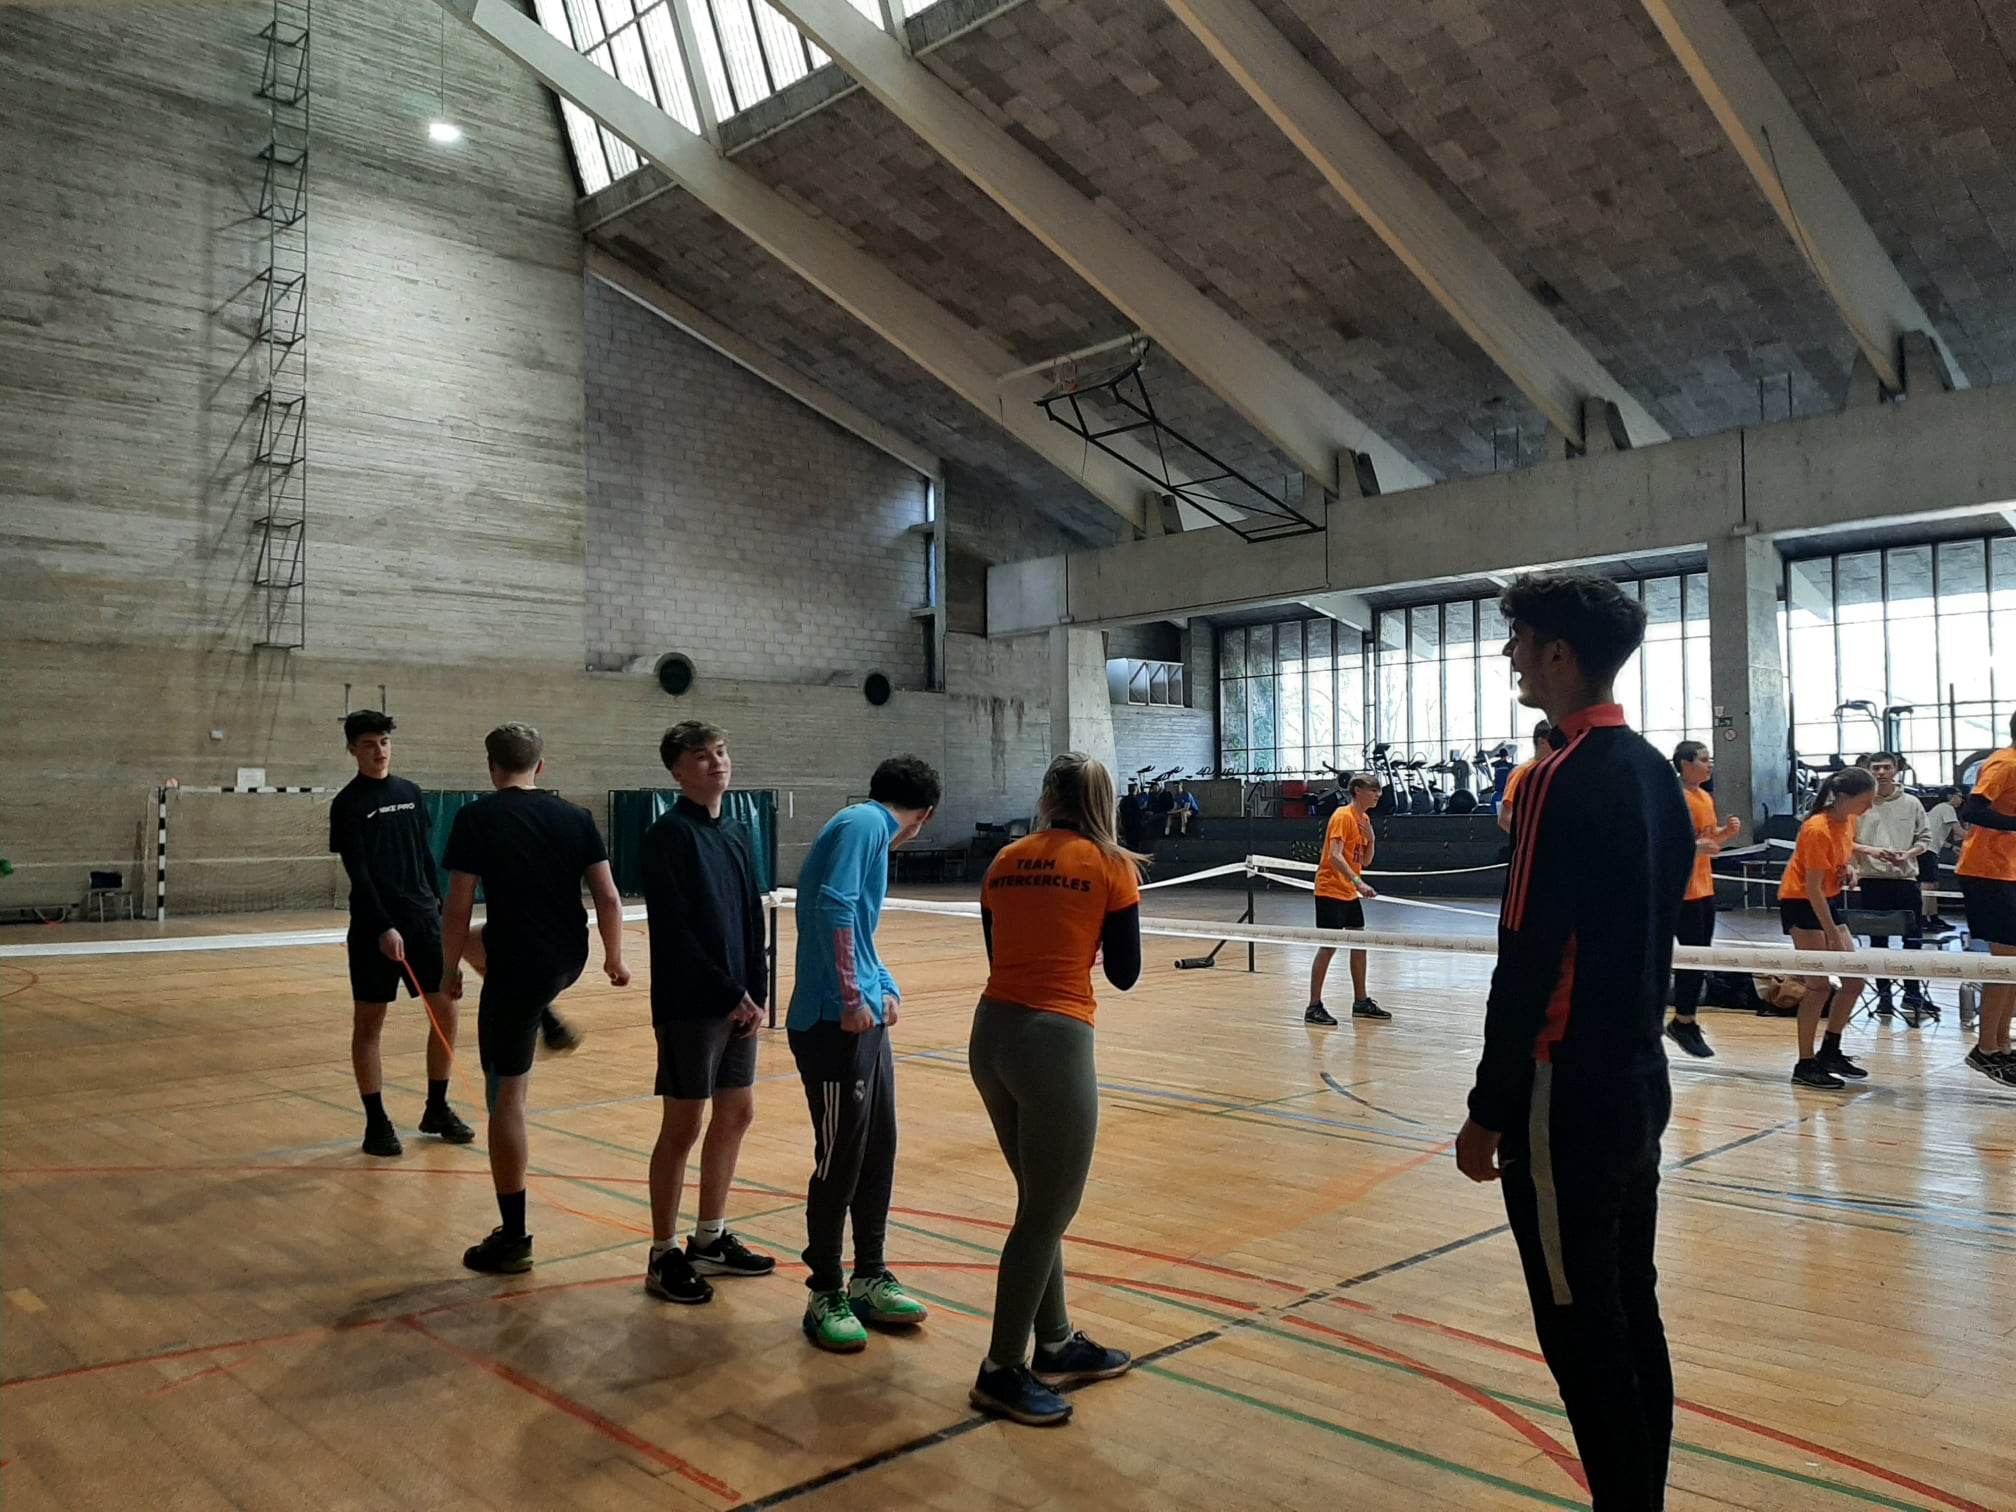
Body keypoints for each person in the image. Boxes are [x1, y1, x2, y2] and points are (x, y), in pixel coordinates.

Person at [1455, 571, 1693, 1512]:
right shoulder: (1656, 774)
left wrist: (1489, 1108)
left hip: (1567, 1095)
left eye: (1518, 639)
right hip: (1637, 1079)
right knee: (1631, 1306)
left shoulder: (1556, 778)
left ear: (1557, 653)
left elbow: (1528, 956)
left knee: (1580, 1329)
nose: (1510, 655)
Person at [967, 752, 1143, 1426]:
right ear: (1103, 800)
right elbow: (1124, 973)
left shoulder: (1005, 860)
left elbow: (999, 954)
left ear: (1047, 796)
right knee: (1047, 1212)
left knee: (1039, 1201)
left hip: (991, 1035)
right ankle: (1000, 1369)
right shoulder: (1111, 865)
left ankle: (1056, 1341)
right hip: (1054, 1042)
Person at [441, 723, 631, 1274]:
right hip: (567, 957)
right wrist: (614, 958)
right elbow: (608, 897)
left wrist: (447, 971)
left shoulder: (476, 817)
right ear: (540, 767)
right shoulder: (576, 816)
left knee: (507, 1100)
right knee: (484, 947)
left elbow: (457, 906)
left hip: (517, 969)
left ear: (492, 768)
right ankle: (545, 1015)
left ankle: (514, 1237)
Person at [789, 756, 942, 1351]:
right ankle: (825, 1289)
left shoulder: (867, 826)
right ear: (924, 816)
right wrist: (853, 997)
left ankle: (869, 1275)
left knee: (878, 1149)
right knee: (840, 1161)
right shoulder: (866, 825)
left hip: (864, 1020)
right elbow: (834, 908)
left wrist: (885, 986)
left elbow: (860, 930)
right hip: (833, 1024)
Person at [640, 721, 775, 1306]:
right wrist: (726, 991)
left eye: (721, 751)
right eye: (701, 756)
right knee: (683, 1126)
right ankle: (662, 1252)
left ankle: (710, 1239)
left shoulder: (738, 833)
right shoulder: (667, 836)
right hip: (691, 1003)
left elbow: (751, 915)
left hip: (739, 1003)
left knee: (737, 1111)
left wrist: (757, 990)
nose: (717, 762)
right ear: (677, 771)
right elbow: (675, 932)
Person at [327, 710, 473, 1157]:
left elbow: (424, 857)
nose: (379, 751)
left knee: (445, 1010)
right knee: (370, 1024)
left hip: (423, 922)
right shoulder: (347, 804)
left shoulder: (410, 793)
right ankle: (376, 1121)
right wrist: (383, 926)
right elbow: (358, 873)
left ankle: (437, 1108)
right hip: (375, 929)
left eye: (384, 742)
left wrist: (440, 909)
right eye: (369, 744)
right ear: (352, 749)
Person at [1778, 767, 1889, 1089]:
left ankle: (1830, 1049)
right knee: (1819, 986)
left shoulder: (1848, 820)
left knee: (1854, 981)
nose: (1869, 807)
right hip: (1802, 903)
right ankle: (1805, 1063)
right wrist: (1830, 932)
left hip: (1829, 899)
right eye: (1864, 800)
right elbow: (1812, 888)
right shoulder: (1816, 829)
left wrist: (1853, 865)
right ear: (1842, 797)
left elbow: (1844, 848)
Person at [1666, 741, 1741, 1060]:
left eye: (1711, 759)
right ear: (1685, 763)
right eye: (1704, 760)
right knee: (1672, 957)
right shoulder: (1673, 797)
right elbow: (1664, 843)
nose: (1710, 765)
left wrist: (1725, 834)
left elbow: (1706, 842)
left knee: (1699, 958)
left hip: (1702, 888)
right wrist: (1695, 848)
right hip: (1676, 891)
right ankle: (1675, 1018)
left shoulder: (1705, 797)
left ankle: (1685, 1020)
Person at [1955, 719, 2016, 1087]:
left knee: (2014, 963)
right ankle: (1985, 1048)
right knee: (2004, 961)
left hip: (2007, 871)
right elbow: (1973, 810)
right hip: (1986, 871)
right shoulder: (2005, 763)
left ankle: (2003, 1045)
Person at [1852, 753, 1932, 1024]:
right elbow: (1847, 840)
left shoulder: (1912, 803)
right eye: (1876, 768)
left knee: (1913, 939)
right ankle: (1883, 997)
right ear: (1869, 771)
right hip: (1871, 880)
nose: (1881, 772)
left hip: (1905, 881)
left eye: (1886, 767)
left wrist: (1908, 854)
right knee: (1878, 942)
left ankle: (1913, 994)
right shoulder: (1859, 806)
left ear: (1896, 770)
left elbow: (1925, 838)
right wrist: (1868, 854)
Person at [1306, 775, 1389, 1027]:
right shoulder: (1343, 816)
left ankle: (1361, 1001)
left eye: (1379, 791)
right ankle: (1313, 1006)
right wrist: (1358, 882)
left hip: (1348, 892)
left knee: (1359, 942)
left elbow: (1365, 861)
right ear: (1357, 791)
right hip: (1330, 889)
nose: (1377, 795)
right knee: (1328, 947)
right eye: (1373, 790)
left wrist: (1371, 839)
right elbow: (1335, 856)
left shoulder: (1364, 820)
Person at [1496, 719, 1552, 835]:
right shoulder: (1522, 772)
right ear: (1542, 742)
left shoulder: (1553, 771)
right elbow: (1504, 818)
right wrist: (1529, 838)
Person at [1923, 786, 1965, 932]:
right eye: (1959, 796)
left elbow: (1936, 833)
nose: (1961, 799)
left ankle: (1933, 917)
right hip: (1926, 850)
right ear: (1950, 797)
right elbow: (1959, 831)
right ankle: (1924, 919)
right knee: (1928, 886)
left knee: (1933, 885)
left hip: (1930, 849)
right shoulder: (1947, 808)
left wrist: (1951, 847)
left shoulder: (1939, 809)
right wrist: (1982, 838)